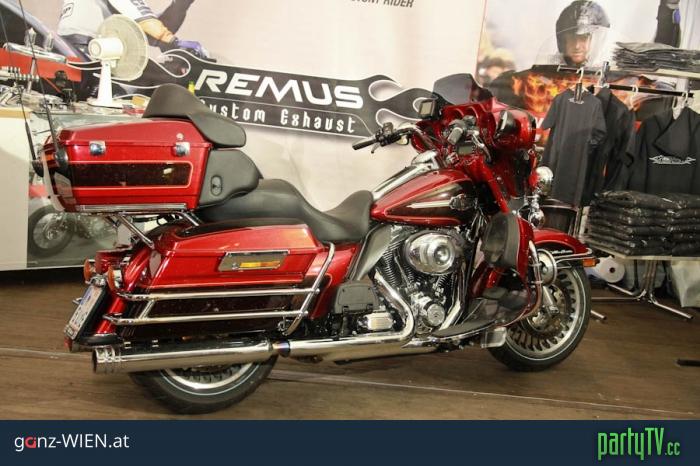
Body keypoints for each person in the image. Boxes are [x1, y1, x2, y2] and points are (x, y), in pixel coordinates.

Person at [57, 0, 205, 60]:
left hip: (74, 51)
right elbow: (145, 23)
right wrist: (174, 42)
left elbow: (147, 29)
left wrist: (179, 6)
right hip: (89, 55)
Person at [553, 0, 610, 66]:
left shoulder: (607, 68)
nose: (577, 46)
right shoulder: (551, 67)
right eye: (572, 38)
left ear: (596, 41)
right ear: (563, 41)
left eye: (583, 38)